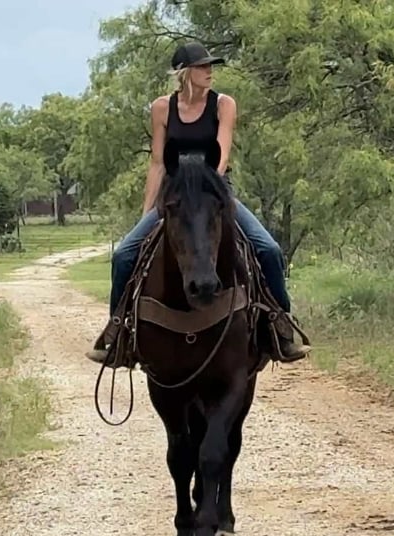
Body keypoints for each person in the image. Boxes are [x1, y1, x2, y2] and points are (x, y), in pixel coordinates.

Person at [86, 41, 310, 365]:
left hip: (215, 194)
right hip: (174, 198)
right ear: (184, 72)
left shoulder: (223, 105)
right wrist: (147, 212)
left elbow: (222, 154)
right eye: (203, 66)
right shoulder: (162, 108)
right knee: (123, 255)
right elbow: (157, 163)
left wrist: (205, 190)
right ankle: (119, 333)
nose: (209, 71)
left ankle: (280, 327)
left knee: (269, 249)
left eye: (210, 66)